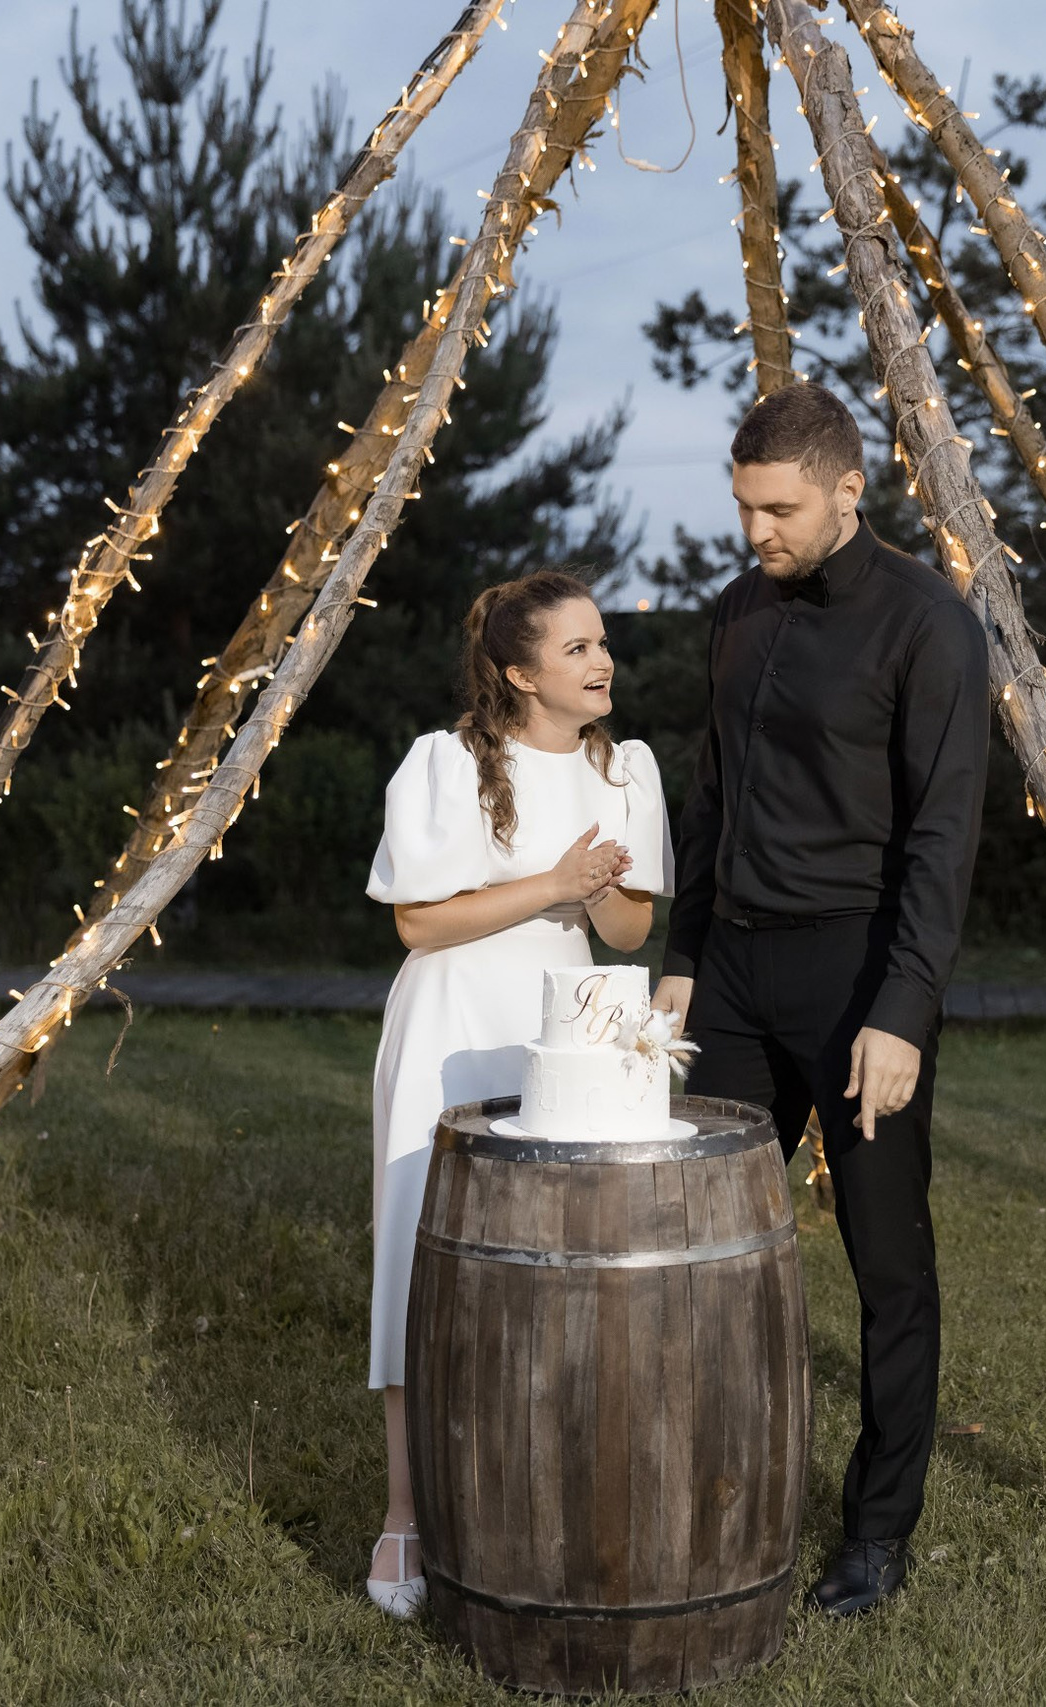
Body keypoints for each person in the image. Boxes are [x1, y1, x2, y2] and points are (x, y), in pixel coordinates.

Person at [655, 382, 990, 1619]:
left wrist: (901, 1009)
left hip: (857, 978)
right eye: (744, 507)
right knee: (706, 1260)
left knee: (885, 1265)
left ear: (850, 488)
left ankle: (875, 1534)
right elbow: (712, 796)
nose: (757, 533)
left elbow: (944, 837)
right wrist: (683, 954)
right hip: (732, 976)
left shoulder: (929, 627)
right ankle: (714, 1496)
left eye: (779, 509)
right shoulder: (735, 611)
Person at [360, 569, 673, 1618]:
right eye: (577, 647)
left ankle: (539, 1493)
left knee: (569, 1264)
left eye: (602, 643)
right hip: (453, 1020)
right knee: (421, 1255)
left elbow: (628, 932)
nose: (602, 662)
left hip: (574, 1022)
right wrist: (552, 882)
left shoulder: (626, 768)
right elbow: (417, 924)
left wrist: (602, 887)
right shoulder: (444, 765)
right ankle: (406, 1514)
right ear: (516, 672)